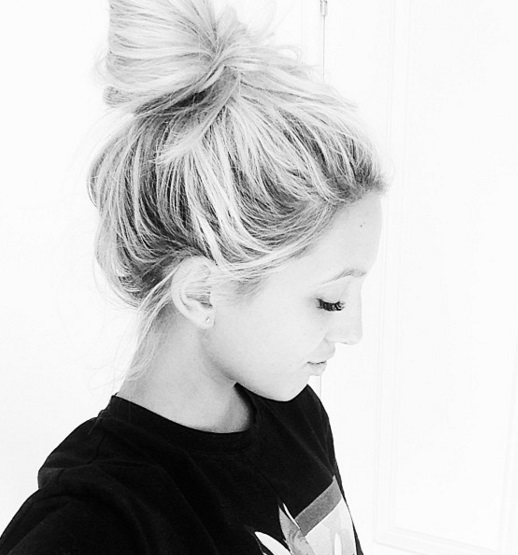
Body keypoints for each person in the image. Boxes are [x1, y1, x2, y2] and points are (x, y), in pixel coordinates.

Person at [0, 0, 386, 553]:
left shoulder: (296, 415)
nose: (353, 332)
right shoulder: (95, 525)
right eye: (331, 300)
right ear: (203, 292)